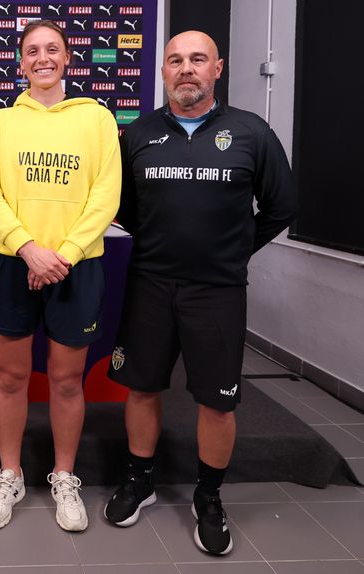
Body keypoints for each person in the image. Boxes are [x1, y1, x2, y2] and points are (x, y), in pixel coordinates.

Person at [103, 31, 297, 555]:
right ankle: (140, 480)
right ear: (163, 71)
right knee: (141, 388)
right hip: (149, 283)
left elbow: (281, 208)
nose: (185, 69)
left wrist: (232, 253)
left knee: (217, 402)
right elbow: (122, 209)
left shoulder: (252, 132)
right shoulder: (138, 134)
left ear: (218, 68)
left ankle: (209, 497)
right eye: (175, 61)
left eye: (197, 60)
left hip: (217, 292)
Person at [0, 20, 121, 532]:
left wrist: (64, 255)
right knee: (12, 377)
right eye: (32, 50)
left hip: (77, 266)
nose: (42, 58)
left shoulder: (97, 119)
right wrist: (30, 251)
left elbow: (106, 195)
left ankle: (64, 476)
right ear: (21, 63)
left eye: (52, 49)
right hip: (11, 263)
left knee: (65, 381)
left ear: (66, 60)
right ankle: (10, 474)